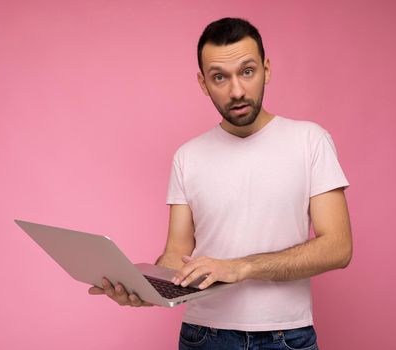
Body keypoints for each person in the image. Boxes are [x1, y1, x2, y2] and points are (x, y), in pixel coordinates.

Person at [89, 17, 352, 350]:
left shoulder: (310, 141)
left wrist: (241, 267)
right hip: (203, 336)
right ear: (203, 83)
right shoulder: (188, 156)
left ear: (266, 70)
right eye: (219, 77)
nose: (237, 91)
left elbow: (338, 247)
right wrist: (144, 289)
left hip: (286, 336)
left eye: (247, 71)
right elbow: (176, 253)